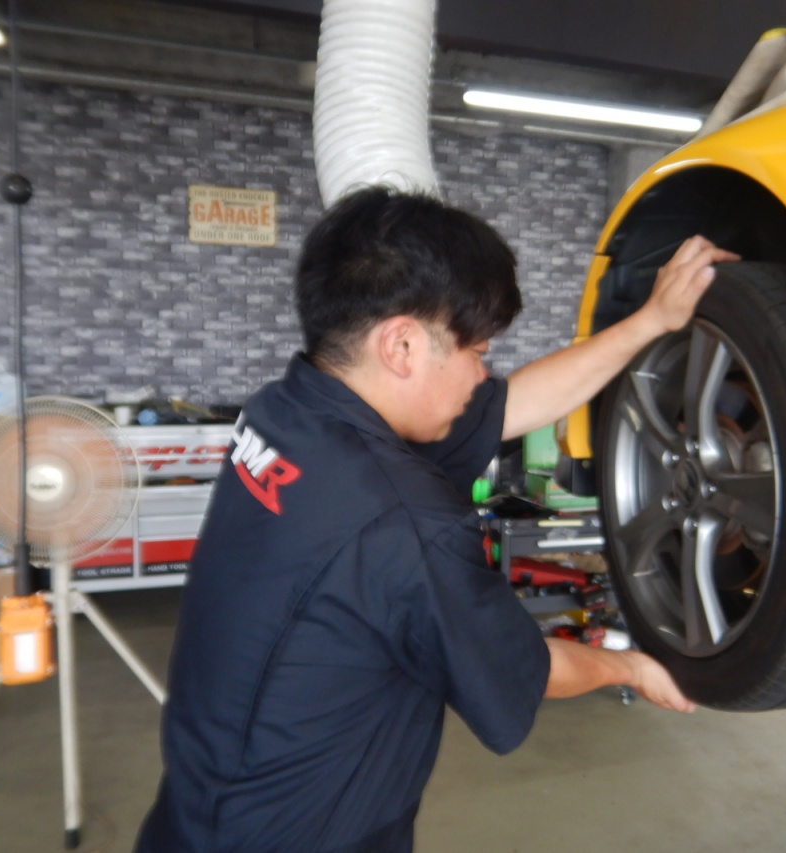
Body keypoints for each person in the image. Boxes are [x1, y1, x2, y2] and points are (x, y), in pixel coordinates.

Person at [135, 186, 738, 853]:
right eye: (477, 351)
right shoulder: (404, 520)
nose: (483, 375)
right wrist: (632, 668)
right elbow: (527, 668)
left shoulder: (284, 412)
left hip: (194, 814)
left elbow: (514, 405)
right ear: (402, 345)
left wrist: (651, 321)